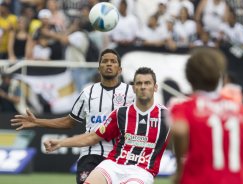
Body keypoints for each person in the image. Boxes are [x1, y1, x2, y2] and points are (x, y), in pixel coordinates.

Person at [10, 48, 135, 184]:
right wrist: (37, 122)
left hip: (119, 156)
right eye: (105, 61)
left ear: (120, 69)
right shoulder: (88, 92)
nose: (109, 64)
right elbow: (70, 122)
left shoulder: (131, 94)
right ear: (99, 68)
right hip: (91, 155)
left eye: (113, 62)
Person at [44, 67, 170, 184]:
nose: (143, 87)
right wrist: (60, 143)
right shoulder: (121, 113)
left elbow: (184, 141)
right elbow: (93, 137)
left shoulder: (168, 116)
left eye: (147, 83)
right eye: (139, 83)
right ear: (133, 88)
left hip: (142, 171)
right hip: (113, 165)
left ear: (155, 87)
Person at [168, 47, 243, 184]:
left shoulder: (183, 108)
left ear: (189, 78)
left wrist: (180, 168)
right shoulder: (240, 110)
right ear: (220, 75)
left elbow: (179, 130)